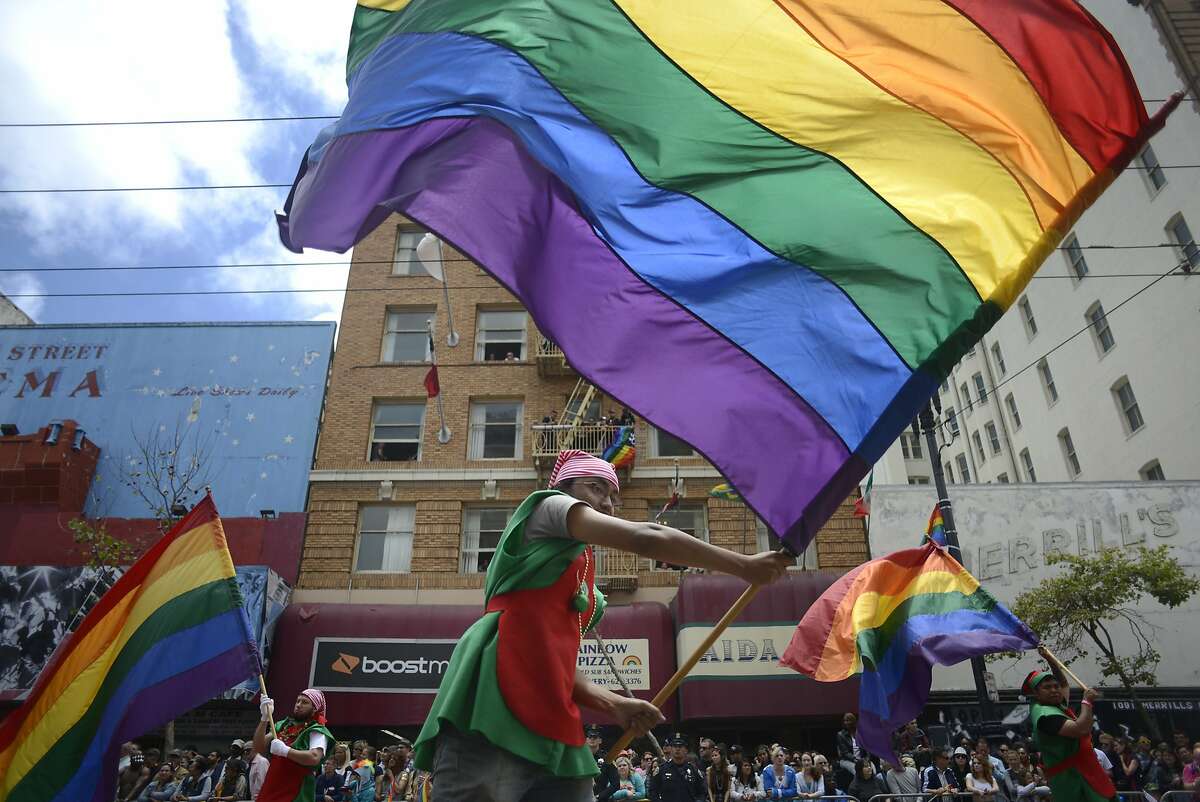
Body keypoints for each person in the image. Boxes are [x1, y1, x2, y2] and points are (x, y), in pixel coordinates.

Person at [413, 450, 791, 801]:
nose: (607, 502)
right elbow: (648, 537)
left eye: (612, 494)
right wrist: (744, 566)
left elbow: (558, 663)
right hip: (493, 702)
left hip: (553, 719)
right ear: (562, 488)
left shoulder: (585, 584)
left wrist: (614, 703)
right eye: (595, 488)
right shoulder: (547, 507)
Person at [1025, 647, 1117, 802]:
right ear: (1036, 693)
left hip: (1084, 773)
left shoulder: (1054, 706)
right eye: (1047, 687)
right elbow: (1081, 729)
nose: (1054, 690)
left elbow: (1063, 684)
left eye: (1055, 687)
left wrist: (1051, 660)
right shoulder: (1045, 714)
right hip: (1072, 779)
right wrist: (1086, 702)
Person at [254, 688, 335, 802]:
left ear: (314, 709)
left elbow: (314, 757)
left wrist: (285, 751)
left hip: (296, 792)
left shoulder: (317, 731)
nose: (298, 705)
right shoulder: (282, 725)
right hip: (271, 787)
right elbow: (258, 747)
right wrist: (264, 718)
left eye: (304, 702)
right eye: (298, 701)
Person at [650, 734, 707, 802]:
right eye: (674, 746)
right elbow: (653, 792)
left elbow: (702, 792)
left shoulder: (693, 770)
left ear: (686, 750)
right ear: (671, 749)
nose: (677, 749)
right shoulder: (662, 769)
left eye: (680, 746)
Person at [589, 724, 621, 801]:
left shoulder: (607, 758)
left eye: (595, 737)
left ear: (600, 740)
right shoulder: (581, 757)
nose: (592, 739)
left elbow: (616, 784)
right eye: (589, 737)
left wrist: (598, 797)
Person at [837, 714, 863, 790]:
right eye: (845, 721)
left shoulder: (860, 733)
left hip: (861, 760)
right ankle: (856, 791)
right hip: (846, 760)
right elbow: (845, 753)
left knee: (872, 770)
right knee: (857, 771)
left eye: (848, 720)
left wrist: (866, 759)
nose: (846, 722)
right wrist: (855, 760)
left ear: (854, 721)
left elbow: (866, 749)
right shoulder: (840, 735)